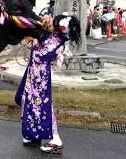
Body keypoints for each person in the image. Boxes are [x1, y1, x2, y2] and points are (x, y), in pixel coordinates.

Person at [15, 14, 81, 154]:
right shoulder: (53, 37)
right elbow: (40, 35)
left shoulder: (57, 41)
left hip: (40, 79)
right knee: (29, 103)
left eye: (51, 24)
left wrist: (34, 41)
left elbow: (41, 56)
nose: (49, 24)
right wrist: (42, 24)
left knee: (42, 108)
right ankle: (34, 135)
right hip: (34, 75)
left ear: (58, 29)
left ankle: (56, 139)